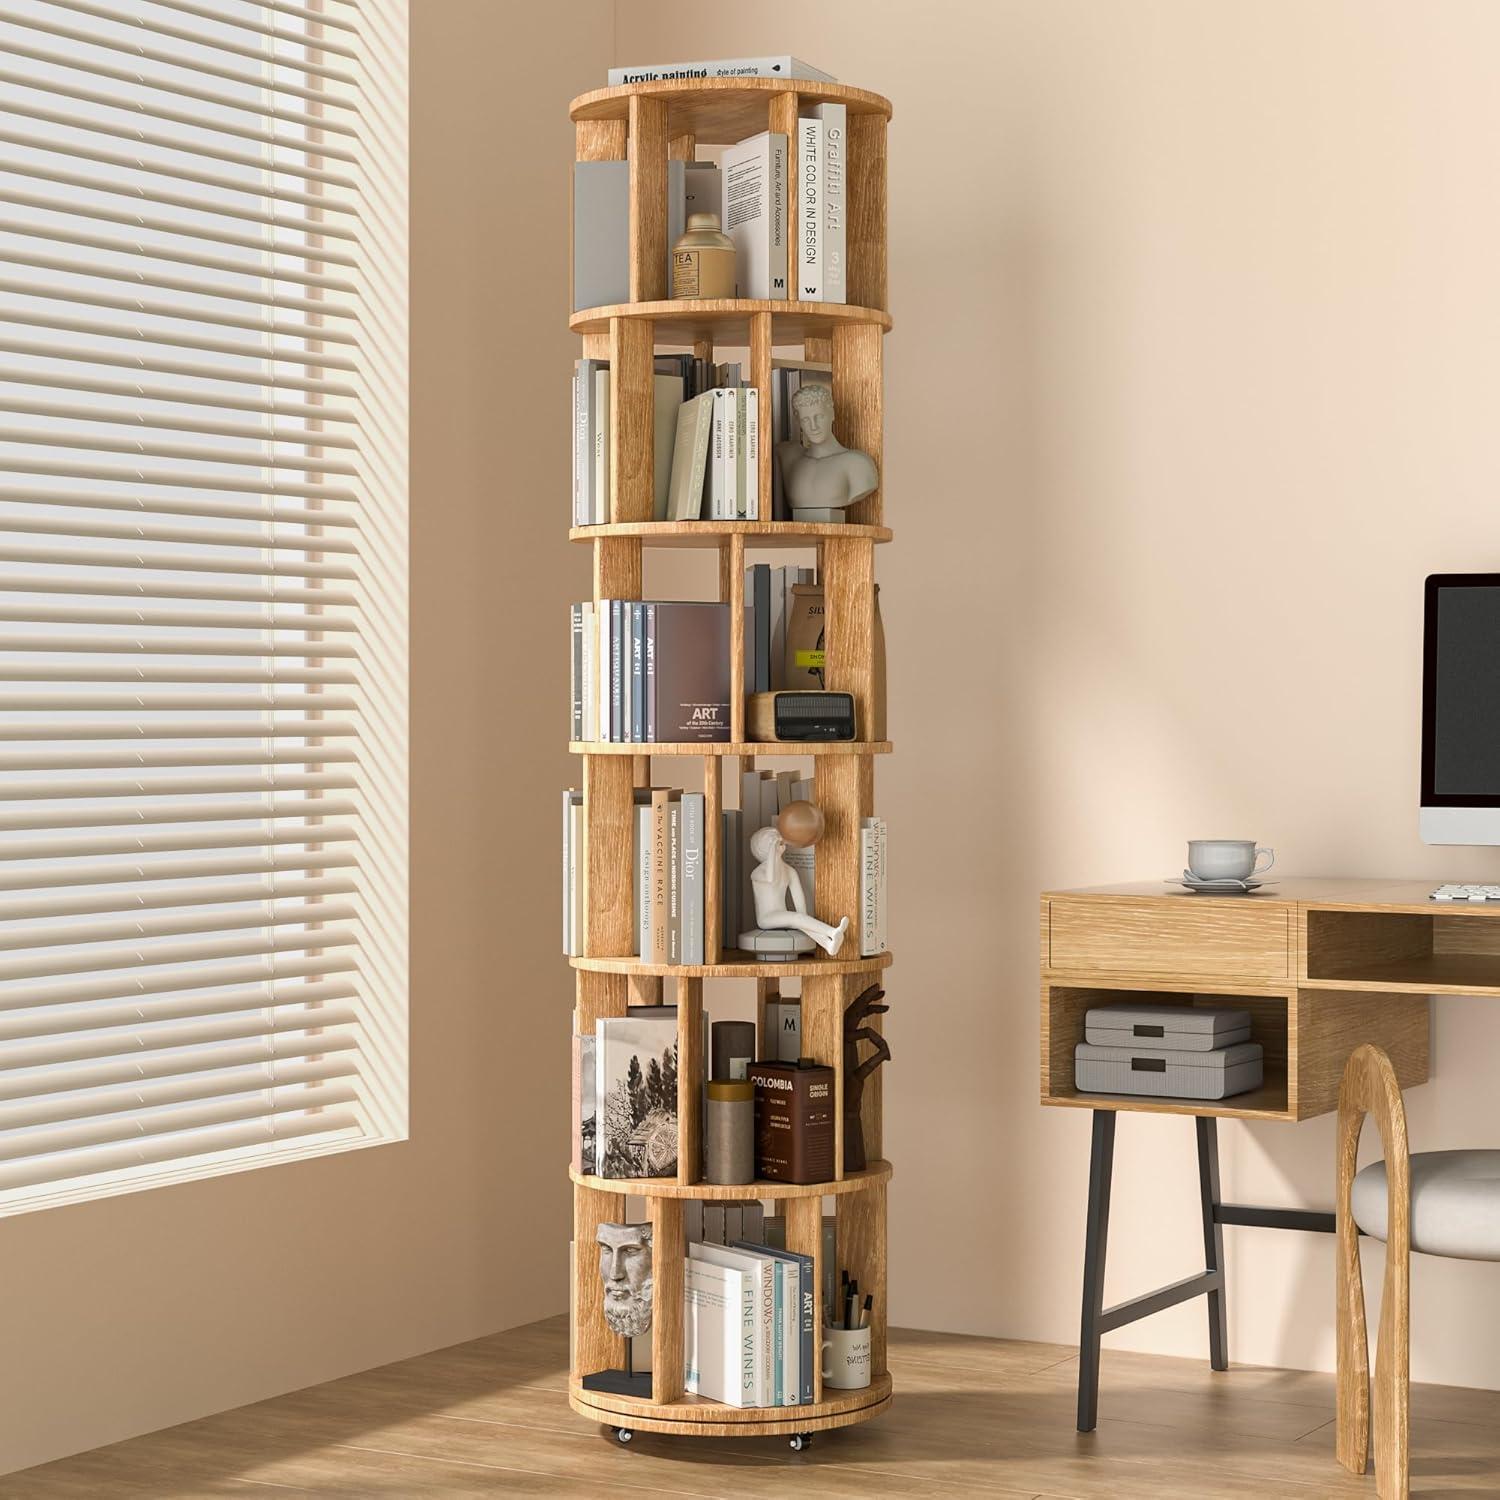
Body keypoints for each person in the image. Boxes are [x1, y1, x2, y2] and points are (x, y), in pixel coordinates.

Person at [778, 382, 879, 520]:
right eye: (806, 420)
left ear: (832, 414)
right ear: (798, 421)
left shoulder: (858, 463)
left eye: (819, 417)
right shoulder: (789, 457)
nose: (814, 426)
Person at [747, 824, 850, 956]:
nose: (778, 841)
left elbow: (799, 902)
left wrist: (804, 919)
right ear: (764, 848)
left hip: (782, 914)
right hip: (766, 918)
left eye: (777, 838)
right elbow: (770, 878)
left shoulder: (790, 871)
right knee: (796, 918)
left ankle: (828, 944)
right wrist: (773, 849)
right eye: (772, 841)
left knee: (799, 920)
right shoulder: (757, 873)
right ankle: (832, 932)